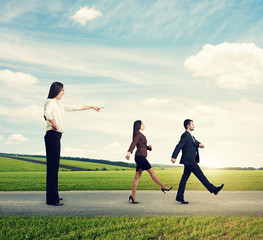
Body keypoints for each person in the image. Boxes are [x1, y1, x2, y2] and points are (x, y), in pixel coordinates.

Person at [44, 82, 103, 206]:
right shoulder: (50, 102)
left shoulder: (58, 104)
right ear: (57, 90)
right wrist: (55, 125)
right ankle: (52, 200)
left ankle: (53, 197)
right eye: (63, 90)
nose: (64, 93)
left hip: (56, 136)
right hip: (52, 135)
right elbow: (47, 114)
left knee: (54, 167)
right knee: (52, 168)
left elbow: (75, 107)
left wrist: (92, 106)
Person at [171, 119, 224, 204]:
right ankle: (213, 189)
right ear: (188, 126)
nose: (193, 126)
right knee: (201, 175)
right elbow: (179, 145)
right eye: (192, 124)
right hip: (190, 160)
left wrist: (200, 144)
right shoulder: (185, 135)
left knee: (184, 179)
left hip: (189, 161)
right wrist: (174, 156)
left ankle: (179, 197)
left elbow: (195, 142)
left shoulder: (190, 135)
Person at [126, 120, 172, 204]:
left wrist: (149, 147)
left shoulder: (139, 134)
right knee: (151, 171)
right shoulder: (138, 134)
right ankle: (163, 186)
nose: (144, 125)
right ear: (139, 125)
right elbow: (133, 143)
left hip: (140, 156)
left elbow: (143, 146)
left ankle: (133, 196)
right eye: (142, 123)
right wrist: (129, 152)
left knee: (137, 177)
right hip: (140, 157)